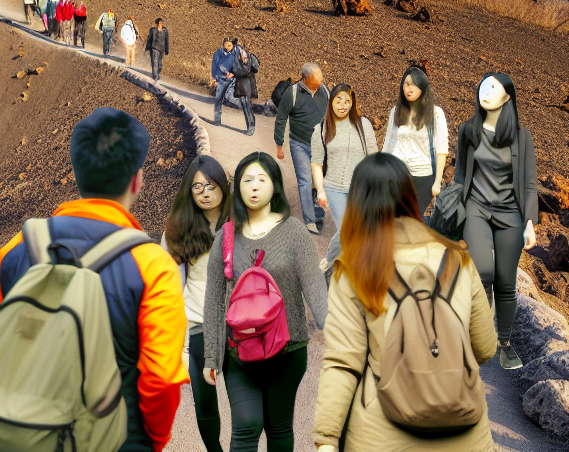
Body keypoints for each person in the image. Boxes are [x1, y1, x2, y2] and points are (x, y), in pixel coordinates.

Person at [0, 107, 188, 452]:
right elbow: (162, 379)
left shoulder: (15, 250)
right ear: (137, 180)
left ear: (77, 174)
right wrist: (151, 442)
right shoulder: (153, 266)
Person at [311, 153, 496, 452]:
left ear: (357, 206)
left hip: (381, 436)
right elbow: (485, 348)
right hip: (465, 434)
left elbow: (343, 363)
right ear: (410, 197)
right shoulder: (458, 259)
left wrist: (327, 438)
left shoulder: (356, 269)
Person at [204, 152, 328, 452]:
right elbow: (214, 298)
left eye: (262, 179)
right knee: (246, 424)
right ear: (238, 188)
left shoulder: (294, 232)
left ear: (275, 185)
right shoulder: (226, 237)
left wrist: (342, 338)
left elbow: (315, 289)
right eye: (247, 180)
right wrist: (211, 355)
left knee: (279, 426)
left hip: (288, 350)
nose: (254, 186)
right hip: (239, 352)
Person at [454, 72, 538, 370]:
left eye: (494, 87)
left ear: (507, 96)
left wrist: (530, 222)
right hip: (476, 209)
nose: (485, 91)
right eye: (483, 85)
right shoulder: (468, 130)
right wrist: (453, 207)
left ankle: (504, 343)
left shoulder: (521, 136)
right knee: (482, 273)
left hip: (510, 214)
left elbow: (529, 184)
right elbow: (460, 176)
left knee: (505, 281)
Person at [162, 156, 231, 452]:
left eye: (210, 185)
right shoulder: (180, 228)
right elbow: (169, 287)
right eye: (197, 187)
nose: (204, 192)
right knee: (205, 403)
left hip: (238, 323)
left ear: (223, 187)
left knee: (246, 402)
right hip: (198, 325)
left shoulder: (240, 223)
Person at [310, 83, 378, 272]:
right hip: (333, 187)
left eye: (347, 101)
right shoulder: (322, 128)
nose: (342, 105)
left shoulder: (363, 125)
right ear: (331, 102)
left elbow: (373, 158)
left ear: (352, 103)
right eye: (338, 100)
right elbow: (316, 163)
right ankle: (327, 264)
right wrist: (321, 191)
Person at [382, 66, 448, 219]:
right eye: (405, 84)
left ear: (422, 86)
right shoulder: (396, 111)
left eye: (412, 84)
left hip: (423, 177)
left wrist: (437, 182)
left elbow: (441, 149)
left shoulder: (435, 113)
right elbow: (388, 143)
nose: (408, 88)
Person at [274, 63, 329, 235]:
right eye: (317, 76)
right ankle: (311, 220)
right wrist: (279, 144)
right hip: (299, 144)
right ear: (306, 78)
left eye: (321, 75)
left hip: (320, 145)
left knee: (319, 180)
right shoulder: (292, 93)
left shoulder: (325, 91)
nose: (321, 79)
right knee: (305, 180)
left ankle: (315, 206)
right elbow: (281, 118)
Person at [229, 43, 258, 136]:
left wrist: (233, 73)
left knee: (246, 106)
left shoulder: (243, 59)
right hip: (244, 85)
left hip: (244, 85)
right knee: (247, 106)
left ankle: (251, 126)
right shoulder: (246, 57)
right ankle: (251, 125)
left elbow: (241, 71)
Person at [210, 38, 240, 127]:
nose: (227, 47)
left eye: (229, 45)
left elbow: (239, 67)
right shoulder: (218, 53)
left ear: (233, 45)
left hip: (231, 80)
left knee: (230, 97)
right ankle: (217, 120)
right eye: (225, 44)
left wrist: (233, 74)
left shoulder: (236, 55)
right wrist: (214, 79)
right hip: (220, 79)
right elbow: (214, 66)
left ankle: (244, 106)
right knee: (218, 99)